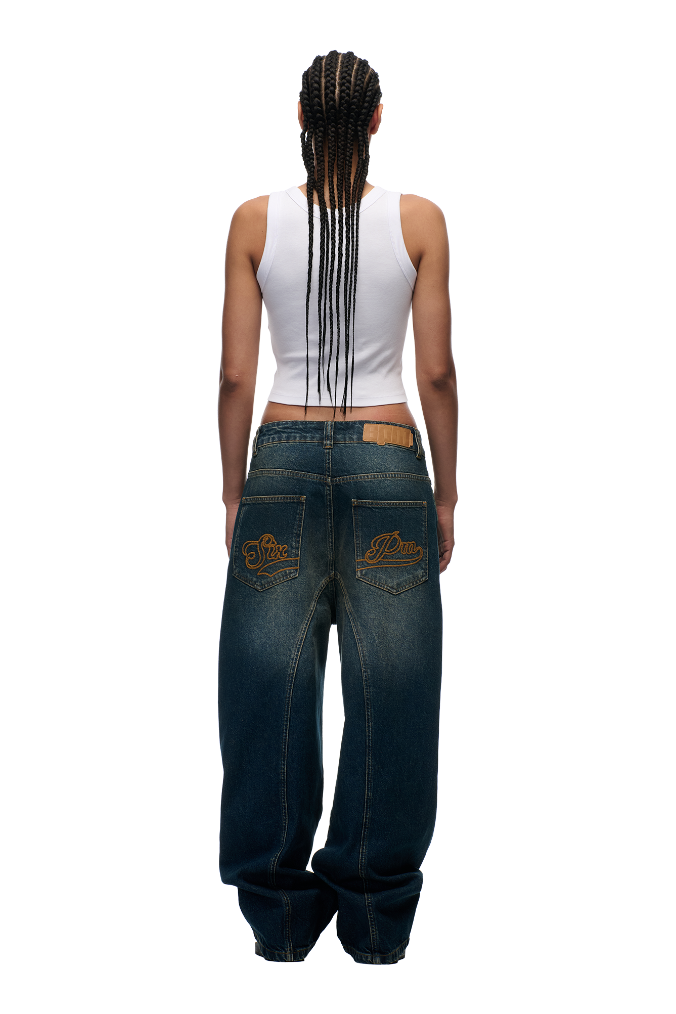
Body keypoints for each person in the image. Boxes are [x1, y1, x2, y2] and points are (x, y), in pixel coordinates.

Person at [218, 50, 457, 965]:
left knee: (265, 687)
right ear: (378, 120)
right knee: (396, 689)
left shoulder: (252, 220)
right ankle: (376, 917)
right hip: (391, 459)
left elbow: (236, 375)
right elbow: (435, 374)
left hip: (279, 456)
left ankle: (279, 918)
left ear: (299, 116)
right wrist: (447, 494)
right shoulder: (420, 219)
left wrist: (234, 494)